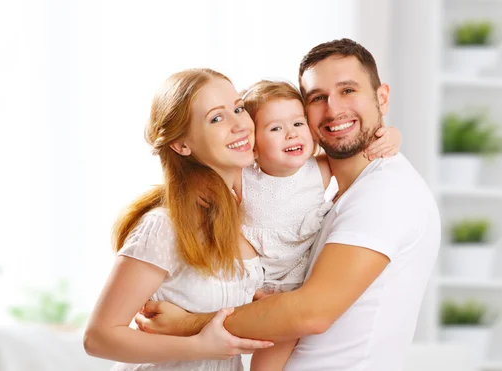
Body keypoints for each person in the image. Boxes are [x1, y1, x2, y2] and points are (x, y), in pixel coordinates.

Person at [135, 38, 441, 371]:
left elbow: (310, 313)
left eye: (348, 90)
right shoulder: (342, 189)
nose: (333, 109)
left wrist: (188, 325)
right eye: (318, 98)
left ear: (381, 98)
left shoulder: (385, 193)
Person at [82, 68, 275, 371]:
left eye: (238, 108)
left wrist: (375, 144)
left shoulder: (250, 213)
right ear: (181, 145)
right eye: (216, 118)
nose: (239, 124)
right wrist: (197, 346)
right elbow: (98, 338)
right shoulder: (164, 226)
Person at [235, 79, 401, 370]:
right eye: (275, 128)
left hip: (293, 290)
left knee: (269, 359)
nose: (291, 134)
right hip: (249, 279)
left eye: (298, 124)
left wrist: (394, 136)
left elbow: (366, 148)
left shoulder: (319, 169)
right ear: (253, 146)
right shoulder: (243, 177)